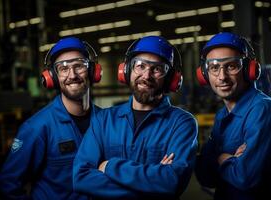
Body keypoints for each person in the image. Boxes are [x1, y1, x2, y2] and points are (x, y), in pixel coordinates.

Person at [72, 35, 198, 200]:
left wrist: (110, 166)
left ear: (170, 79)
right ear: (126, 70)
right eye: (140, 66)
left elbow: (171, 181)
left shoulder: (182, 123)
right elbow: (81, 178)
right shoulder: (103, 120)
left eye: (157, 69)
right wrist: (151, 186)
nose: (146, 75)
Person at [0, 36, 102, 199]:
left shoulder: (106, 122)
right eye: (63, 68)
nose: (72, 75)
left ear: (92, 71)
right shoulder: (37, 128)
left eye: (79, 66)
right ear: (52, 77)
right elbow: (8, 184)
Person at [195, 32, 271, 200]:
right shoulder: (221, 116)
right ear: (204, 74)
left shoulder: (263, 110)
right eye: (214, 67)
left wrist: (219, 158)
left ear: (250, 70)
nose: (222, 76)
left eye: (231, 66)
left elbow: (245, 177)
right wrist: (227, 159)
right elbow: (204, 176)